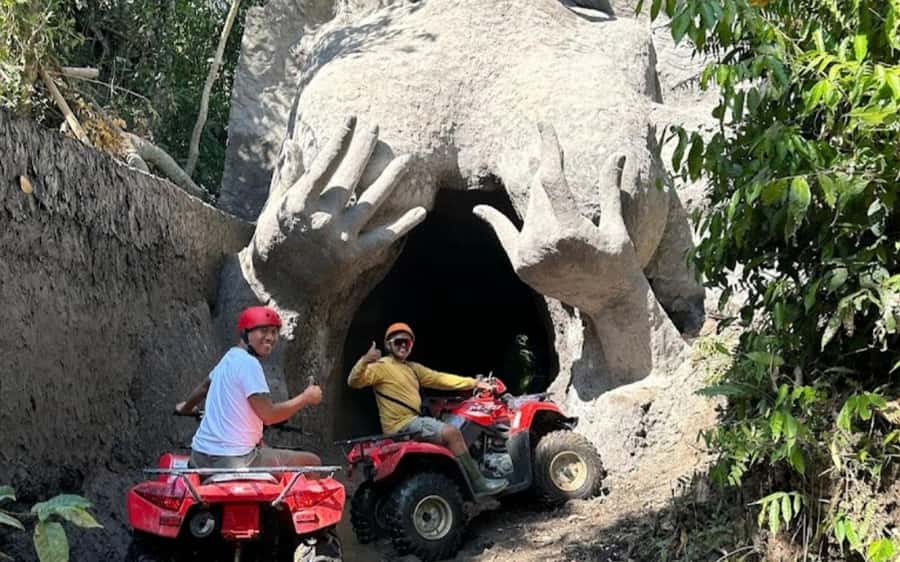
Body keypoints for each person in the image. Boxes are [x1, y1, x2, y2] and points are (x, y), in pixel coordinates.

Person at [347, 322, 508, 494]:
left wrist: (474, 382)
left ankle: (454, 478)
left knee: (442, 425)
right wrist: (365, 360)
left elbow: (440, 378)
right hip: (404, 424)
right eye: (398, 341)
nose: (403, 345)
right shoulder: (381, 367)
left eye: (407, 343)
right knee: (452, 433)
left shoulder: (413, 369)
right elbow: (354, 381)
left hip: (410, 423)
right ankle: (478, 483)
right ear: (388, 344)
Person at [175, 306, 323, 470]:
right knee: (312, 462)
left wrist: (186, 408)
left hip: (199, 457)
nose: (270, 337)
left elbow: (204, 387)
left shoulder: (230, 357)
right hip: (234, 461)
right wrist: (306, 398)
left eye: (274, 332)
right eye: (263, 331)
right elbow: (269, 415)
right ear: (246, 333)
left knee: (263, 447)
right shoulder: (249, 364)